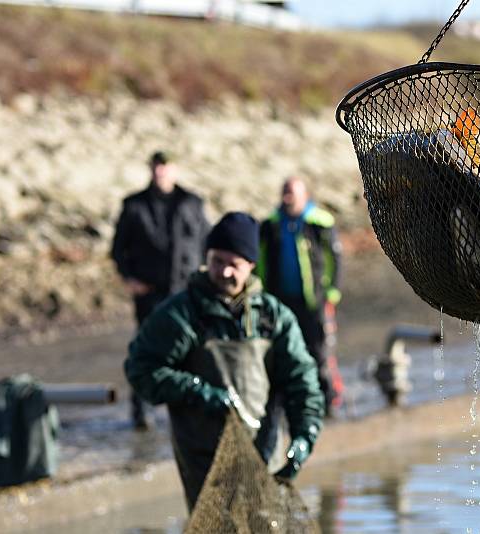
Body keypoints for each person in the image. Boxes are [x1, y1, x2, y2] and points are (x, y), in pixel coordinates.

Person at [125, 212, 324, 511]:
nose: (225, 271)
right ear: (206, 257)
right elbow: (141, 369)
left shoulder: (273, 318)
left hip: (263, 454)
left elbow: (302, 381)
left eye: (234, 264)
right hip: (204, 460)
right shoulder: (182, 314)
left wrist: (303, 437)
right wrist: (198, 391)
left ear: (251, 266)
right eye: (217, 261)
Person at [111, 151, 210, 429]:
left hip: (185, 292)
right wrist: (129, 278)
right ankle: (141, 413)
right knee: (146, 352)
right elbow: (118, 249)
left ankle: (190, 407)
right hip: (150, 294)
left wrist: (206, 282)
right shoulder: (134, 206)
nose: (160, 172)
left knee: (192, 350)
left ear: (174, 169)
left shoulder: (192, 203)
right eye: (156, 167)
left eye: (165, 167)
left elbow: (207, 244)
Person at [258, 177, 343, 415]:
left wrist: (333, 291)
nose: (288, 196)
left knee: (320, 351)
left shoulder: (319, 222)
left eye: (292, 192)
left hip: (314, 299)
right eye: (285, 191)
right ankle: (292, 403)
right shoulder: (271, 225)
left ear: (305, 195)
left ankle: (328, 401)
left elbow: (335, 257)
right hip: (282, 300)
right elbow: (260, 261)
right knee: (285, 351)